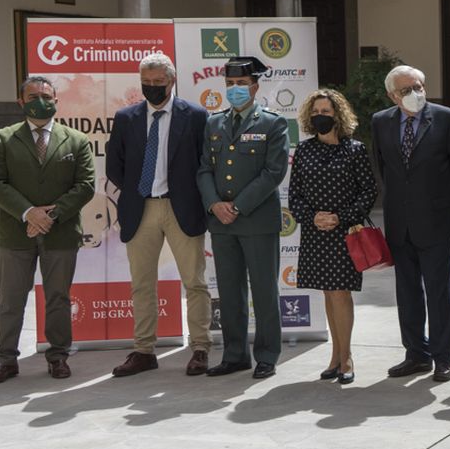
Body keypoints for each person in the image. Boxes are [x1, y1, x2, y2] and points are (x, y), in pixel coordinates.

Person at [0, 76, 96, 384]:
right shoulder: (4, 138)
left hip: (60, 233)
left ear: (56, 101)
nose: (40, 101)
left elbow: (85, 186)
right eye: (33, 96)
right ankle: (6, 359)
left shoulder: (76, 140)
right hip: (16, 233)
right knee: (10, 299)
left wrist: (51, 216)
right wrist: (29, 213)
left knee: (58, 297)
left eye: (46, 96)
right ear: (21, 102)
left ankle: (58, 356)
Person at [107, 54, 213, 378]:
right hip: (141, 208)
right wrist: (139, 189)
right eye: (146, 83)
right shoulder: (126, 117)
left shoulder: (195, 115)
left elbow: (205, 162)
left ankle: (200, 347)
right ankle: (143, 351)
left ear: (172, 80)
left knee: (194, 282)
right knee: (141, 284)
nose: (152, 88)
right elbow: (114, 166)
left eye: (158, 83)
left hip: (183, 207)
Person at [372, 65, 450, 383]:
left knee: (439, 291)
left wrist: (440, 202)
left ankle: (443, 356)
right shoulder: (380, 122)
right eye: (405, 90)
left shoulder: (446, 118)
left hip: (436, 221)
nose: (414, 94)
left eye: (418, 87)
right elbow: (384, 169)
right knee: (407, 291)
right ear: (392, 96)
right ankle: (416, 353)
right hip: (399, 223)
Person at [197, 56, 290, 379]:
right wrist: (214, 204)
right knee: (230, 291)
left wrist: (236, 206)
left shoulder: (273, 123)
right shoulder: (213, 123)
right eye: (230, 85)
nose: (235, 90)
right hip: (221, 223)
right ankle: (235, 354)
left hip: (256, 220)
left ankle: (266, 354)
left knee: (264, 291)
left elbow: (273, 172)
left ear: (255, 86)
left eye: (241, 85)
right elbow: (204, 169)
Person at [289, 89, 377, 384]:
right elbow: (295, 195)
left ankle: (347, 356)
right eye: (315, 112)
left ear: (338, 115)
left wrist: (341, 216)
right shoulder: (303, 150)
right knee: (328, 293)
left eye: (325, 112)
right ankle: (335, 357)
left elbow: (368, 192)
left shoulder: (355, 150)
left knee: (341, 293)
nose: (320, 117)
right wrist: (313, 216)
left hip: (344, 232)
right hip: (315, 232)